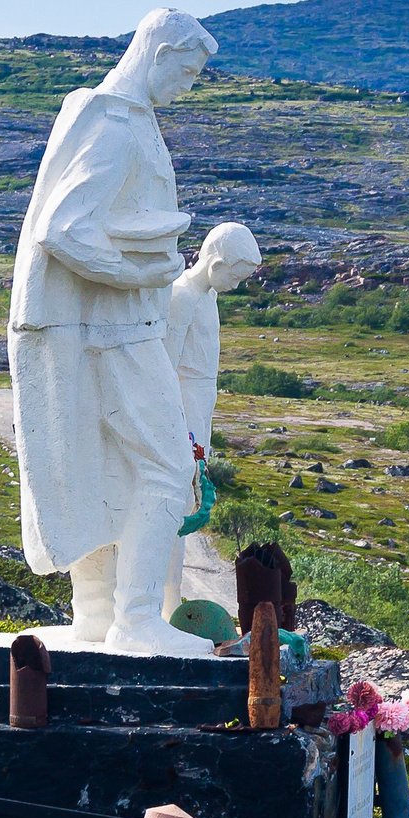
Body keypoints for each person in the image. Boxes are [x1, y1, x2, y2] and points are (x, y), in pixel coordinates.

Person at [7, 8, 217, 655]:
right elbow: (63, 228)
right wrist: (137, 271)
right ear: (159, 53)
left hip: (112, 327)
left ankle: (97, 615)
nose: (186, 87)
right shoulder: (116, 126)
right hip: (114, 330)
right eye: (185, 72)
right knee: (165, 465)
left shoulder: (127, 120)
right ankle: (135, 618)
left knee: (104, 470)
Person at [162, 222, 260, 618]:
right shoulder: (183, 296)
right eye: (236, 276)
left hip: (199, 406)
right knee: (171, 506)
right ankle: (162, 600)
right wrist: (180, 430)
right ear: (217, 262)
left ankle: (172, 598)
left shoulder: (209, 296)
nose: (237, 285)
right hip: (181, 407)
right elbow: (166, 366)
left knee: (185, 503)